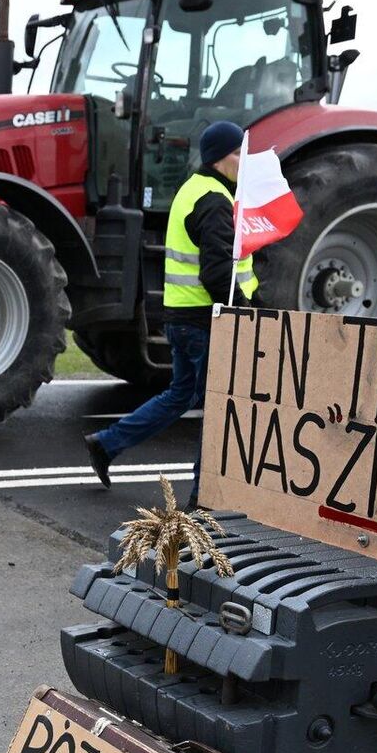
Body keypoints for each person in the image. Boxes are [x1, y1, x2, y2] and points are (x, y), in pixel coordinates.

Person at [84, 120, 257, 500]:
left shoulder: (192, 190)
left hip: (180, 318)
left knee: (180, 395)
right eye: (237, 153)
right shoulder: (214, 200)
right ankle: (203, 496)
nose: (243, 160)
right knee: (217, 408)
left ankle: (107, 443)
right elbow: (216, 273)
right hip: (202, 322)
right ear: (219, 158)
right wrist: (244, 311)